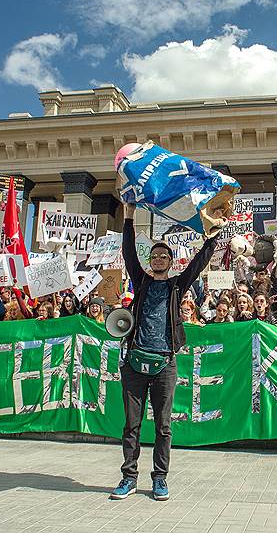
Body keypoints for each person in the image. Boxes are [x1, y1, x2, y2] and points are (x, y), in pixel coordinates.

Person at [111, 200, 217, 502]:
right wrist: (129, 217)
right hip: (134, 362)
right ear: (150, 260)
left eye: (164, 256)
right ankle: (128, 477)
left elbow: (197, 264)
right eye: (155, 255)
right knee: (131, 424)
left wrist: (212, 236)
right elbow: (129, 252)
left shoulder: (175, 286)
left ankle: (160, 479)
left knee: (163, 426)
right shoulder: (141, 281)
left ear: (170, 262)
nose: (158, 259)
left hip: (165, 364)